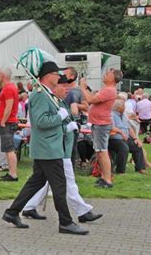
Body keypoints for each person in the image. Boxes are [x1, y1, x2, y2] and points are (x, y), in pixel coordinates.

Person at [2, 61, 89, 235]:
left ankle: (12, 212)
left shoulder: (47, 94)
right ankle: (65, 222)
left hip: (47, 146)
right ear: (49, 76)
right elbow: (41, 122)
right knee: (59, 185)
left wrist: (64, 123)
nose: (59, 78)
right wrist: (59, 117)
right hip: (48, 147)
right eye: (57, 75)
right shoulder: (41, 94)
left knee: (37, 181)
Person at [22, 75, 102, 223]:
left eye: (68, 85)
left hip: (61, 147)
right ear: (55, 87)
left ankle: (27, 206)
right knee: (67, 182)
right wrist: (66, 127)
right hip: (57, 148)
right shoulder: (49, 100)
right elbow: (45, 124)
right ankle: (81, 211)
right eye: (63, 85)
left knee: (43, 180)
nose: (67, 89)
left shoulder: (59, 102)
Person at [80, 69, 122, 188]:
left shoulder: (109, 90)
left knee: (102, 151)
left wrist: (82, 87)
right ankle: (104, 177)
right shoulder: (107, 89)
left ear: (113, 78)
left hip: (101, 124)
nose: (104, 75)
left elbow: (90, 100)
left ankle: (107, 179)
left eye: (108, 74)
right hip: (98, 123)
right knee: (99, 151)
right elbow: (94, 98)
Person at [0, 67, 20, 181]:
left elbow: (9, 106)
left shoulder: (8, 88)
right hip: (9, 121)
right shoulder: (10, 87)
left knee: (9, 148)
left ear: (2, 75)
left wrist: (3, 121)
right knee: (7, 148)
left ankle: (13, 174)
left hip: (8, 122)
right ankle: (11, 172)